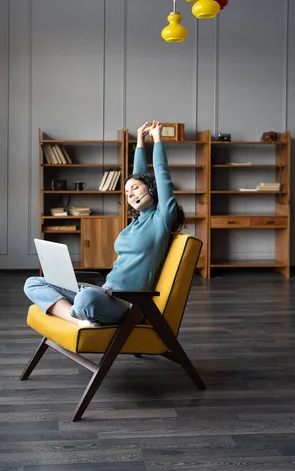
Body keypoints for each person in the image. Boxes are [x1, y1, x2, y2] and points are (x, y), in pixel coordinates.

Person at [24, 121, 186, 326]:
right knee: (33, 283)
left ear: (151, 190)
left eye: (134, 189)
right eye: (127, 192)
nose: (130, 194)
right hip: (105, 293)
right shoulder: (136, 221)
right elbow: (139, 176)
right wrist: (139, 141)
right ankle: (80, 320)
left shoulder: (161, 220)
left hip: (126, 302)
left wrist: (157, 138)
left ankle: (78, 311)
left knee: (86, 298)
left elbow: (162, 176)